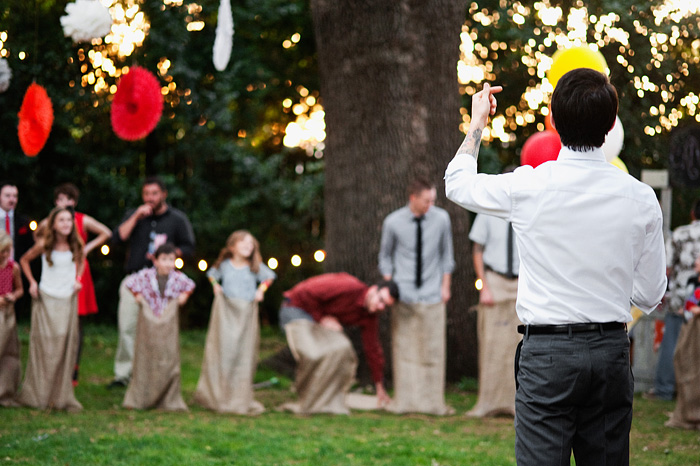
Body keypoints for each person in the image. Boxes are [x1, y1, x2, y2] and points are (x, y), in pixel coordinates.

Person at [444, 69, 666, 465]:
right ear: (611, 123)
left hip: (548, 355)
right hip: (611, 352)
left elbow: (457, 183)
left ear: (553, 118)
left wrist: (477, 122)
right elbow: (650, 295)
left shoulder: (529, 186)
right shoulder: (641, 198)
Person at [378, 177, 455, 415]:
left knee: (432, 350)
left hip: (432, 293)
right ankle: (406, 401)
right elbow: (385, 257)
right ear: (413, 198)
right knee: (405, 350)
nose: (430, 204)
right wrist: (391, 286)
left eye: (433, 200)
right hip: (404, 295)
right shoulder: (393, 222)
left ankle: (432, 403)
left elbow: (446, 256)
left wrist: (445, 286)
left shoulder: (442, 219)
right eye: (426, 200)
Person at [109, 176, 195, 388]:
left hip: (163, 283)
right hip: (134, 280)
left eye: (154, 193)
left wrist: (166, 255)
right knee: (128, 327)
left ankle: (156, 374)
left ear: (164, 194)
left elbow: (190, 248)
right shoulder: (135, 215)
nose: (150, 198)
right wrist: (136, 216)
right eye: (146, 194)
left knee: (159, 330)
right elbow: (117, 239)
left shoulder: (177, 219)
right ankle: (123, 375)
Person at [278, 273, 398, 414]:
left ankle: (325, 400)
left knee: (343, 348)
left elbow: (372, 349)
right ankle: (304, 396)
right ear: (373, 289)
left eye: (385, 306)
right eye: (381, 300)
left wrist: (379, 386)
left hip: (318, 322)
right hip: (295, 309)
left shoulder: (369, 316)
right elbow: (306, 291)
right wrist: (321, 318)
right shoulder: (348, 286)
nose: (380, 306)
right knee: (313, 354)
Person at [36, 183, 112, 385]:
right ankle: (53, 366)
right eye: (60, 199)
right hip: (57, 273)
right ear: (56, 202)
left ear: (74, 201)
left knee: (77, 322)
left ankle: (74, 369)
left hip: (78, 272)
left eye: (68, 199)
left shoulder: (82, 219)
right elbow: (39, 233)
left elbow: (106, 232)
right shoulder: (53, 221)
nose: (65, 202)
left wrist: (87, 248)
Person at [194, 230, 276, 414]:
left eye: (251, 243)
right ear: (232, 247)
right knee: (225, 350)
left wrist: (261, 290)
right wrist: (216, 287)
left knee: (242, 352)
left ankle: (238, 395)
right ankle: (218, 393)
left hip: (245, 314)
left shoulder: (254, 266)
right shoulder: (225, 265)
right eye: (243, 243)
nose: (249, 246)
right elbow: (211, 274)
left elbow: (269, 277)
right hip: (227, 313)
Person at [17, 207, 84, 411]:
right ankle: (40, 393)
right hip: (47, 298)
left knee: (64, 343)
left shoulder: (75, 245)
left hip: (67, 299)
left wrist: (78, 279)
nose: (66, 224)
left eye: (69, 220)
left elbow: (81, 262)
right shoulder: (45, 244)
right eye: (61, 220)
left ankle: (60, 393)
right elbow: (24, 260)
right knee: (45, 345)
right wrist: (32, 283)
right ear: (53, 224)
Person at [121, 243, 195, 411]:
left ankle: (168, 397)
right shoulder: (146, 276)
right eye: (164, 259)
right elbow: (130, 282)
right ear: (155, 260)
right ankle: (142, 396)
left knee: (167, 357)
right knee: (146, 355)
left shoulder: (178, 278)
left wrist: (184, 296)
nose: (168, 263)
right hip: (149, 321)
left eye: (172, 260)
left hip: (167, 323)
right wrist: (138, 296)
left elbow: (190, 285)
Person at [466, 211, 521, 417]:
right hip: (494, 281)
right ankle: (487, 403)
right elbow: (477, 249)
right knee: (492, 343)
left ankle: (518, 404)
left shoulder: (530, 207)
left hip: (522, 282)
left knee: (520, 345)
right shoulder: (488, 212)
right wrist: (484, 287)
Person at [646, 201, 700, 401]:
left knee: (672, 341)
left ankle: (665, 389)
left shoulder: (679, 234)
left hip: (681, 299)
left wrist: (661, 293)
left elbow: (665, 267)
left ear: (693, 213)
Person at [666, 254, 700, 429]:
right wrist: (686, 308)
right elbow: (689, 301)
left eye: (699, 260)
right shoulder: (693, 280)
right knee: (682, 363)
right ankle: (686, 413)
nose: (696, 262)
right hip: (688, 327)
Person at [1, 181, 35, 315]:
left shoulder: (24, 221)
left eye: (15, 196)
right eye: (7, 195)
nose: (12, 199)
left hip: (15, 268)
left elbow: (30, 246)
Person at [0, 231, 23, 407]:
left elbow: (19, 289)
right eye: (3, 251)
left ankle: (5, 392)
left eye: (9, 250)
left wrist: (13, 297)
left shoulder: (12, 267)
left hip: (8, 314)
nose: (7, 255)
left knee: (9, 352)